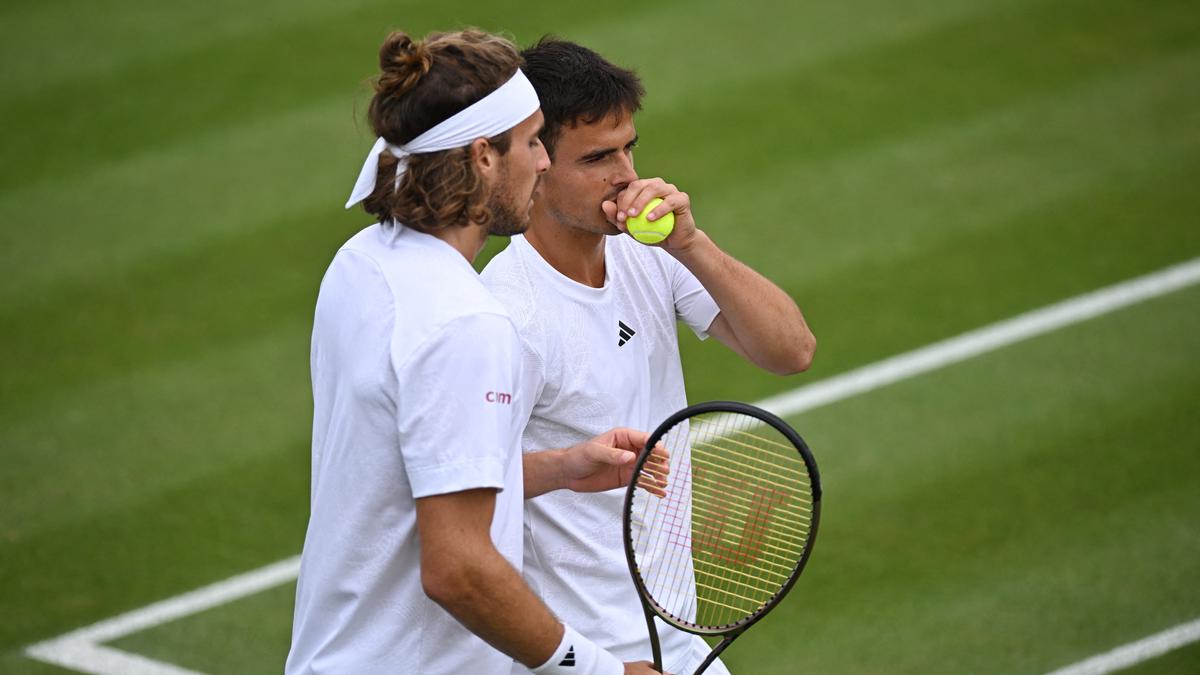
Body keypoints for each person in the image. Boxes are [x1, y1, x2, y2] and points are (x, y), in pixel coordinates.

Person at [286, 29, 663, 675]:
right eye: (533, 141)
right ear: (483, 155)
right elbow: (458, 569)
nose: (544, 162)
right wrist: (602, 670)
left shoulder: (361, 263)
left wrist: (561, 467)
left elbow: (408, 475)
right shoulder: (469, 324)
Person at [481, 38, 817, 675]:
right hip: (576, 656)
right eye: (598, 158)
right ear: (535, 161)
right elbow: (466, 491)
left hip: (677, 641)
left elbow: (791, 350)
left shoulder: (651, 252)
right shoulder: (504, 314)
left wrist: (692, 245)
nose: (627, 176)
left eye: (629, 147)